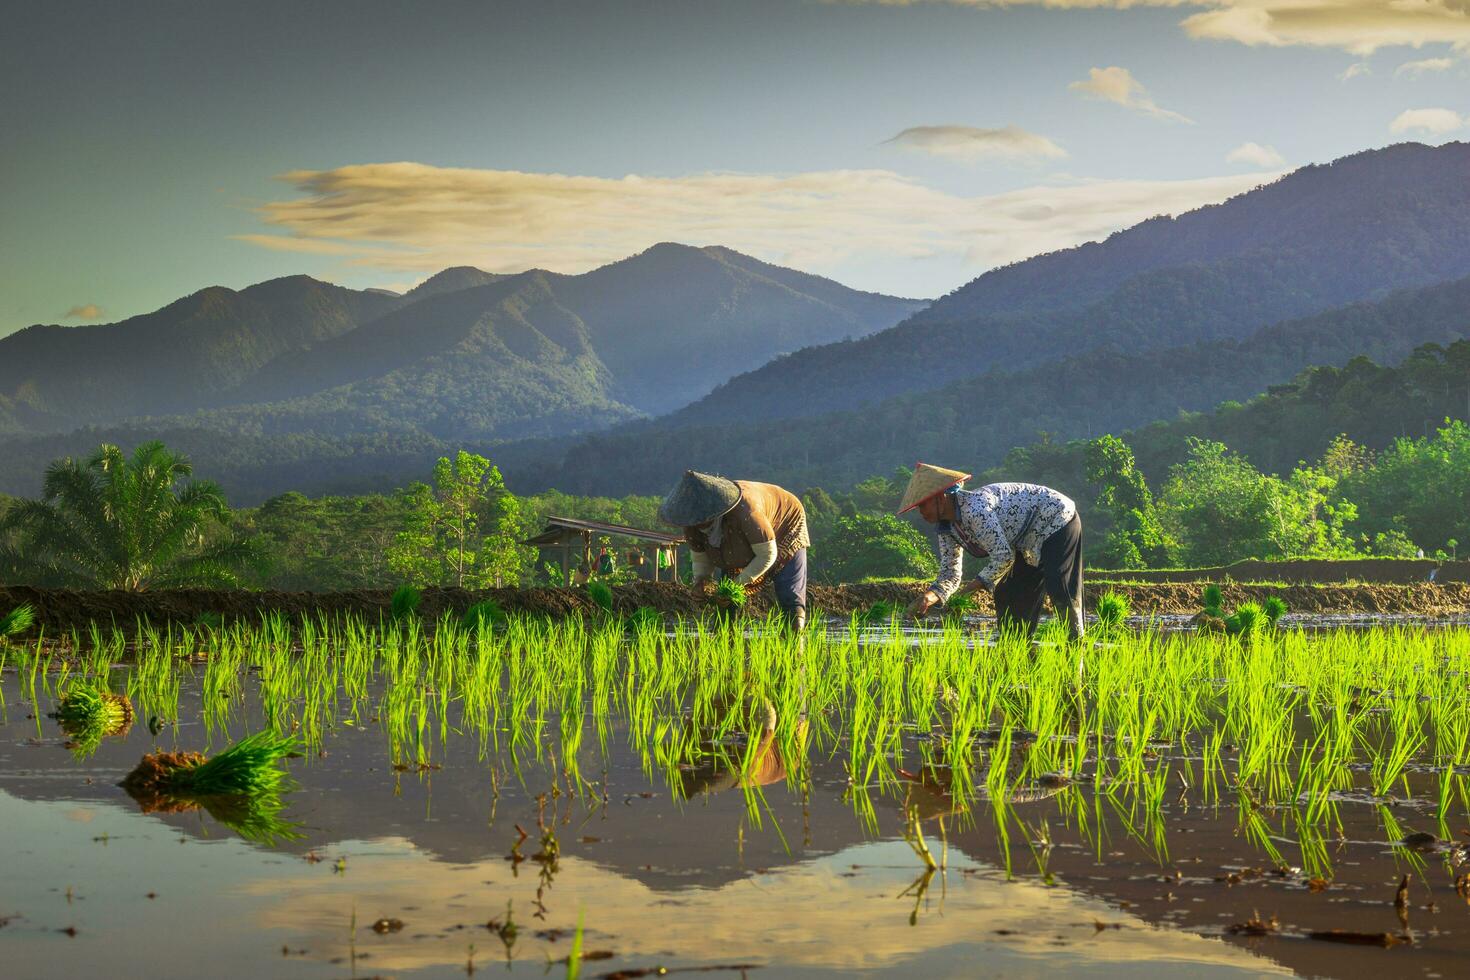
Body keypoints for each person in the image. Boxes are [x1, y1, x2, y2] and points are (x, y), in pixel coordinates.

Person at [899, 463, 1084, 639]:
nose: (921, 512)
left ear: (940, 497)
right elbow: (950, 573)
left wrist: (968, 590)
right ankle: (1015, 647)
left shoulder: (975, 510)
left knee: (1059, 583)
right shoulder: (946, 529)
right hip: (1022, 540)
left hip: (1055, 518)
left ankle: (1076, 640)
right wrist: (928, 597)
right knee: (1009, 592)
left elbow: (1003, 558)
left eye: (923, 505)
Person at [658, 470, 810, 630]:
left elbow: (767, 554)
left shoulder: (746, 511)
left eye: (701, 517)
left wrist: (737, 583)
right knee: (726, 600)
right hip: (739, 547)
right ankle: (724, 638)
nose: (698, 523)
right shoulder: (691, 526)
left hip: (785, 523)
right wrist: (701, 582)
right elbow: (700, 559)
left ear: (712, 511)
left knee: (789, 596)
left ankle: (795, 641)